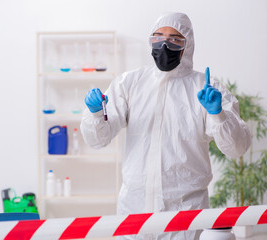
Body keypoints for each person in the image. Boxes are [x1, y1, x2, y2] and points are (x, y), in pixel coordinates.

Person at [80, 12, 251, 240]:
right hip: (134, 211)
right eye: (158, 37)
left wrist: (218, 114)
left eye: (174, 39)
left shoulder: (205, 88)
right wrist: (95, 114)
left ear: (187, 45)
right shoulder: (130, 84)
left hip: (185, 216)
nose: (164, 45)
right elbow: (98, 139)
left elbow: (237, 147)